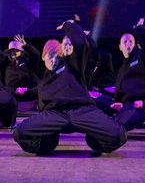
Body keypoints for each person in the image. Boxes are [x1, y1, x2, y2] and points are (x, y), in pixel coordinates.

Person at [13, 20, 126, 155]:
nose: (53, 60)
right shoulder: (42, 76)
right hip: (55, 114)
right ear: (43, 57)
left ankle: (94, 140)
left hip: (82, 111)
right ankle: (48, 142)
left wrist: (68, 26)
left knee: (118, 135)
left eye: (57, 57)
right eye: (50, 56)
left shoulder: (72, 67)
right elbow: (34, 56)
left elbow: (80, 43)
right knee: (20, 133)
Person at [0, 34, 41, 104]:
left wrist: (26, 45)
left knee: (42, 87)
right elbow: (7, 86)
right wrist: (15, 90)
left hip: (31, 93)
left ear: (21, 51)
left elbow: (36, 55)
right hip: (15, 96)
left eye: (16, 50)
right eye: (11, 51)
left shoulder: (29, 61)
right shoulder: (8, 67)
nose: (13, 52)